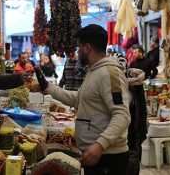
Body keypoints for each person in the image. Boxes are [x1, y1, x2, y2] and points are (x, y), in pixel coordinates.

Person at [43, 24, 130, 175]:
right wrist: (48, 88)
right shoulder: (94, 71)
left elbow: (122, 115)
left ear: (87, 48)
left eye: (78, 47)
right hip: (96, 154)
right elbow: (78, 98)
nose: (77, 52)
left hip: (109, 157)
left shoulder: (109, 73)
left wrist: (99, 145)